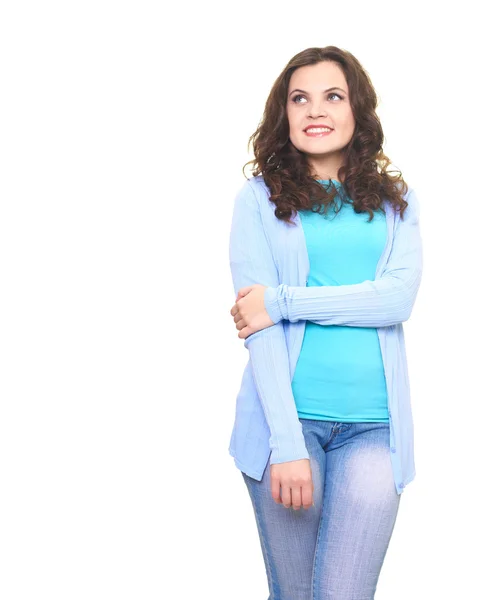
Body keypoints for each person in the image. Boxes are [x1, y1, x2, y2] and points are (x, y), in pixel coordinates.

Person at [227, 46, 423, 600]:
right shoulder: (258, 202)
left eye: (332, 96)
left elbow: (394, 301)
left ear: (356, 109)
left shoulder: (396, 203)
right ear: (283, 114)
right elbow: (256, 328)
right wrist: (286, 445)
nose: (316, 110)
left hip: (375, 428)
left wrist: (283, 301)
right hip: (285, 428)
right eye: (300, 98)